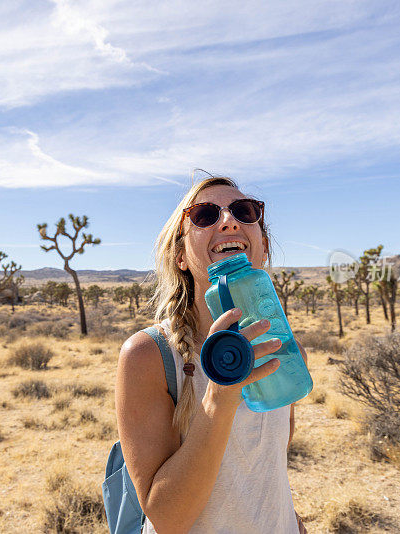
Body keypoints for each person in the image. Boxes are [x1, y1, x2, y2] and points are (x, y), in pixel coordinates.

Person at [116, 175, 309, 533]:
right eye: (204, 215)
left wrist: (288, 519)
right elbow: (167, 519)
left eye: (245, 211)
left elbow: (266, 461)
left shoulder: (285, 349)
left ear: (262, 246)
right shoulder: (149, 356)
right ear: (181, 257)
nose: (229, 220)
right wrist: (220, 396)